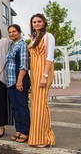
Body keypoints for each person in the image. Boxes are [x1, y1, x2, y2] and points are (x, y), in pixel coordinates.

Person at [28, 13, 55, 147]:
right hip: (34, 72)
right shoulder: (34, 38)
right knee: (35, 105)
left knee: (40, 104)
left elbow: (50, 57)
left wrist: (45, 76)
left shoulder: (48, 36)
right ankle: (37, 137)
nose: (37, 24)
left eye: (39, 21)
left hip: (43, 71)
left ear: (44, 23)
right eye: (34, 22)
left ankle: (45, 138)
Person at [5, 24, 30, 143]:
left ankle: (25, 131)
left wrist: (19, 81)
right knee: (15, 107)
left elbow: (24, 65)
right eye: (9, 32)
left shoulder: (22, 45)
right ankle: (18, 129)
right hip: (10, 82)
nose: (11, 34)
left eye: (14, 31)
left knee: (22, 107)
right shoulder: (11, 45)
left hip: (19, 81)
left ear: (19, 32)